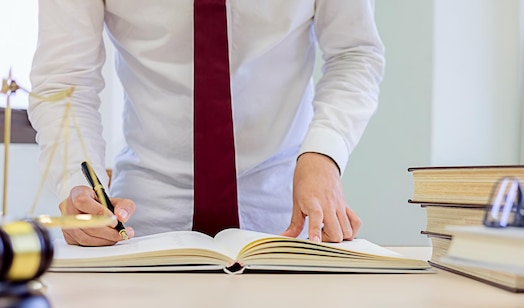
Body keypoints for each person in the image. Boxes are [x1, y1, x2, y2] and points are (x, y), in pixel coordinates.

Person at [29, 0, 385, 247]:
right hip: (142, 228)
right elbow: (65, 82)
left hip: (287, 222)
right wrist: (78, 185)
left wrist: (323, 155)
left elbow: (355, 54)